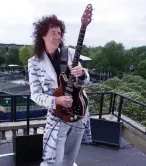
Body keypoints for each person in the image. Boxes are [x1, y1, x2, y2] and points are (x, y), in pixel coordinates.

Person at [28, 15, 92, 166]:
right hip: (57, 114)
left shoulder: (68, 53)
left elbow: (86, 80)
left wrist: (82, 74)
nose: (57, 36)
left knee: (71, 153)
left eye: (59, 33)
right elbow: (35, 94)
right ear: (42, 35)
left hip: (78, 110)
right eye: (53, 33)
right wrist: (55, 100)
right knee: (53, 157)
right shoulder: (34, 63)